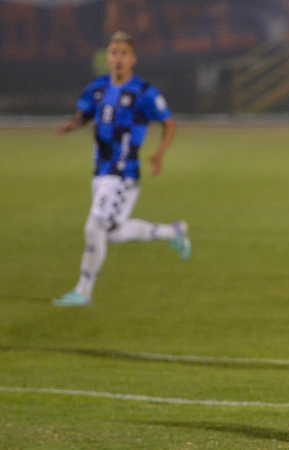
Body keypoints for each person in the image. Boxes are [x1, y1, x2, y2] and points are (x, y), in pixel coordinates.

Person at [53, 31, 190, 308]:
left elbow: (169, 122)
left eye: (124, 53)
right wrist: (73, 124)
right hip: (101, 171)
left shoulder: (144, 92)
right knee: (113, 233)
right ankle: (172, 232)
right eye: (114, 53)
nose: (118, 58)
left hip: (123, 173)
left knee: (95, 226)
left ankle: (83, 291)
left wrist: (159, 154)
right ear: (107, 57)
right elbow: (86, 112)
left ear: (133, 58)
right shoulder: (98, 87)